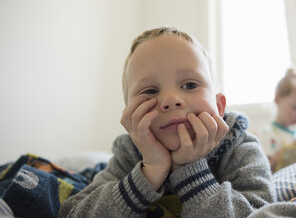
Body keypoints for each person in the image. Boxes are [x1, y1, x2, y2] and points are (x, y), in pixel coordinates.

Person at [58, 27, 275, 218]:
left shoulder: (240, 147)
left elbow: (261, 213)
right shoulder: (129, 154)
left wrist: (189, 168)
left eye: (190, 85)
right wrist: (150, 171)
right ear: (129, 116)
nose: (170, 100)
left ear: (219, 107)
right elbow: (72, 213)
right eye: (150, 91)